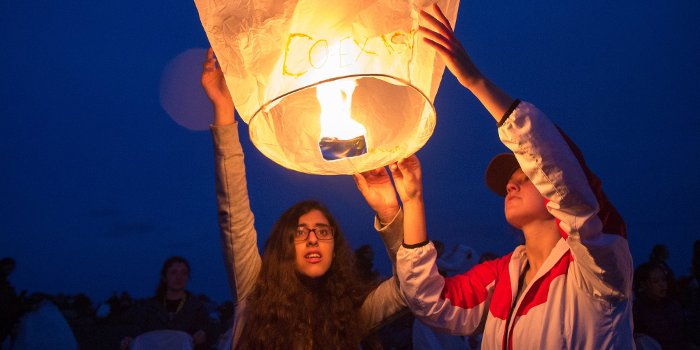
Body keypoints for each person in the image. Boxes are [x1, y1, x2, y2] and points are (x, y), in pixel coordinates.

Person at [392, 4, 634, 349]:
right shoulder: (503, 274)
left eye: (525, 176)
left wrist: (475, 82)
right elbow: (431, 304)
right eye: (511, 180)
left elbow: (570, 183)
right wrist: (412, 202)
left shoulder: (600, 268)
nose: (511, 184)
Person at [201, 48, 406, 349]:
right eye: (300, 232)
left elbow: (411, 287)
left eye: (323, 232)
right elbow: (234, 215)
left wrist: (390, 212)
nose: (312, 239)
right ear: (284, 246)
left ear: (335, 248)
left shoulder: (352, 314)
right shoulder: (254, 294)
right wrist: (223, 111)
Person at [120, 256, 210, 350]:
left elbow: (209, 331)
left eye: (184, 273)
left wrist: (204, 335)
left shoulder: (196, 307)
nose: (179, 277)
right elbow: (136, 331)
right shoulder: (149, 307)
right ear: (164, 277)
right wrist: (128, 340)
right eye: (173, 272)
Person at [633, 262, 688, 349]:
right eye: (656, 281)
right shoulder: (637, 310)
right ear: (643, 285)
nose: (662, 285)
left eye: (663, 279)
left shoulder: (673, 305)